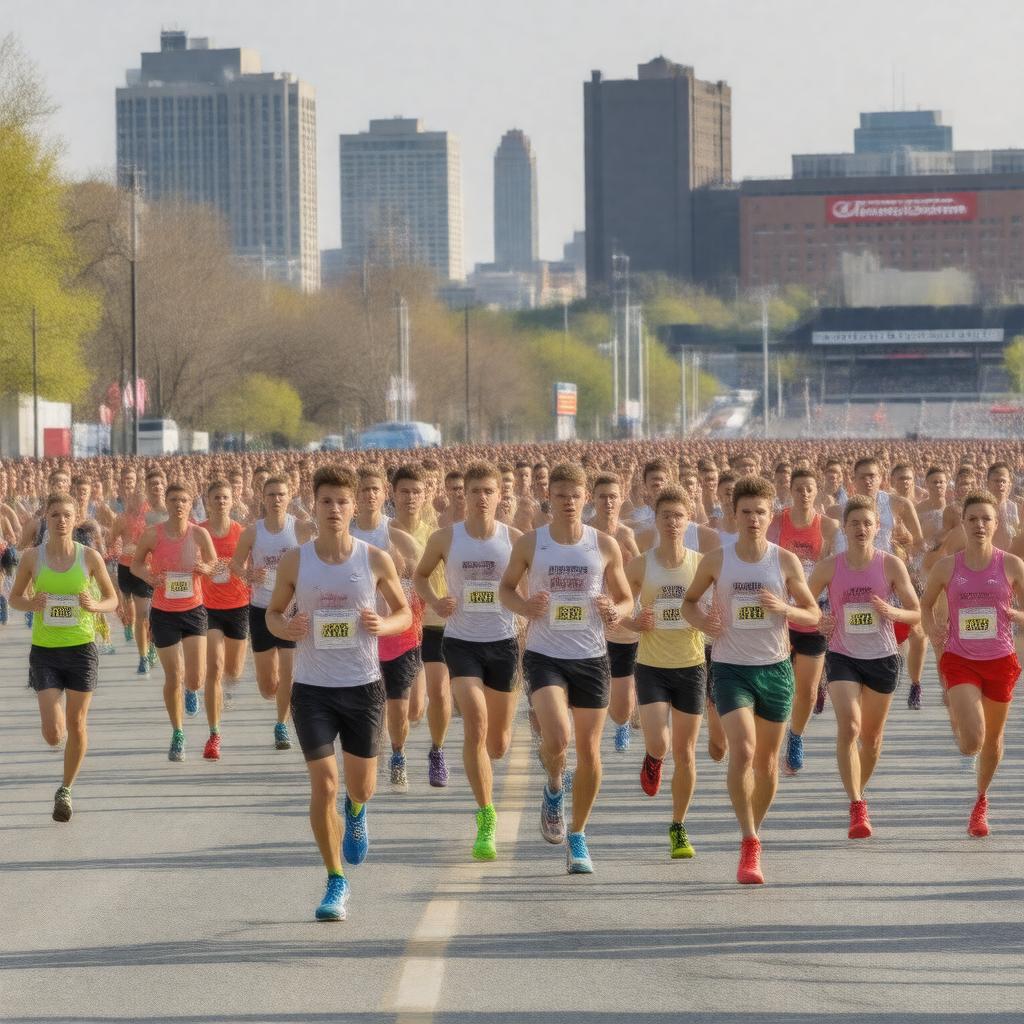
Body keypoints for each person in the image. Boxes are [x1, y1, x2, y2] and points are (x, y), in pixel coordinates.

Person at [266, 465, 411, 922]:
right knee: (324, 784)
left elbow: (405, 613)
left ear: (355, 507)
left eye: (342, 502)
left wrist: (382, 624)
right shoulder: (296, 560)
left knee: (361, 785)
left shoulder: (374, 559)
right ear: (314, 504)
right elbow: (272, 614)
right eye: (326, 501)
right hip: (311, 689)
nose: (334, 509)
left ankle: (357, 808)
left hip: (364, 686)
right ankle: (335, 880)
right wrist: (285, 626)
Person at [682, 476, 819, 885]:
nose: (754, 519)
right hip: (730, 668)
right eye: (746, 512)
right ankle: (749, 840)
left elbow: (814, 614)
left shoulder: (783, 561)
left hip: (775, 668)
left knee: (767, 763)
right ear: (733, 514)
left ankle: (751, 834)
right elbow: (688, 603)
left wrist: (786, 609)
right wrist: (703, 621)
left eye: (761, 512)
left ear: (770, 514)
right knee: (742, 750)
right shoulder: (717, 560)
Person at [499, 463, 633, 874]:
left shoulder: (604, 544)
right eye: (560, 496)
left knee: (590, 752)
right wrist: (525, 607)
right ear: (549, 501)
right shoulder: (530, 544)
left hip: (591, 656)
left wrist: (615, 610)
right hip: (545, 654)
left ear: (586, 499)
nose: (569, 503)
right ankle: (555, 786)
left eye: (575, 496)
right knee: (558, 738)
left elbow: (627, 598)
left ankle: (578, 835)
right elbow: (505, 589)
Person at [415, 460, 522, 859]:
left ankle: (491, 776)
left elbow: (528, 585)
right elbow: (421, 576)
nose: (480, 498)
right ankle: (486, 816)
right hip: (460, 641)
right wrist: (435, 601)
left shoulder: (514, 539)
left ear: (499, 496)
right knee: (474, 721)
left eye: (487, 492)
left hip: (503, 642)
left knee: (497, 743)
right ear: (464, 496)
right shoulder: (446, 538)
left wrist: (527, 609)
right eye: (473, 491)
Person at [807, 496, 920, 838]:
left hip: (883, 658)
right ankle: (857, 804)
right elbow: (803, 599)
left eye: (867, 524)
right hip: (843, 655)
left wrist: (893, 612)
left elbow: (916, 613)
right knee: (851, 726)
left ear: (877, 528)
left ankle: (857, 788)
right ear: (844, 528)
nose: (860, 529)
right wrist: (819, 620)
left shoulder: (890, 565)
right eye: (854, 523)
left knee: (871, 739)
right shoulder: (830, 566)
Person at [8, 493, 119, 821]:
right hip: (45, 651)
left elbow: (112, 600)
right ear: (47, 519)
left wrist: (93, 605)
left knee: (77, 722)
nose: (61, 520)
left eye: (66, 515)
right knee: (54, 733)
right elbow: (15, 598)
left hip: (81, 649)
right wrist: (33, 604)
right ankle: (63, 750)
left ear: (75, 519)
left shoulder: (90, 558)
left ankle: (66, 789)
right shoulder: (32, 557)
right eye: (54, 515)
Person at [920, 490, 1024, 838]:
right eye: (972, 519)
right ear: (962, 524)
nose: (979, 525)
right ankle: (965, 738)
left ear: (996, 524)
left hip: (1001, 660)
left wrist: (1016, 614)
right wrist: (934, 630)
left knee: (993, 740)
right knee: (973, 741)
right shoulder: (948, 566)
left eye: (986, 519)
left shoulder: (1010, 565)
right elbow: (925, 603)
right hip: (960, 658)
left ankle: (981, 801)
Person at [624, 485, 708, 859]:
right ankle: (652, 759)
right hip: (652, 665)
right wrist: (633, 620)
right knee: (660, 742)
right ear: (655, 521)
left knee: (686, 752)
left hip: (691, 664)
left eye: (678, 516)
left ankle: (678, 826)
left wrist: (710, 619)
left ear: (688, 520)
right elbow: (618, 603)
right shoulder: (642, 563)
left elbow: (715, 605)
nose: (672, 523)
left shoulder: (701, 563)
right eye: (665, 517)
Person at [131, 482, 218, 761]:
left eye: (183, 500)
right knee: (174, 676)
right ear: (166, 504)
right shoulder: (153, 534)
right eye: (173, 500)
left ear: (190, 504)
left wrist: (205, 568)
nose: (179, 504)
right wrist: (149, 577)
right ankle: (178, 733)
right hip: (164, 611)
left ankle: (192, 691)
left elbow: (214, 563)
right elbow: (135, 565)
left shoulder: (199, 533)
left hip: (193, 610)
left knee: (195, 677)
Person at [351, 465, 425, 790]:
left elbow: (422, 577)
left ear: (384, 495)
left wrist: (405, 569)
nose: (369, 495)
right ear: (355, 496)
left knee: (399, 708)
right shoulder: (345, 535)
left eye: (374, 490)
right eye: (363, 490)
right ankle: (367, 756)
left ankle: (398, 753)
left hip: (397, 634)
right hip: (358, 635)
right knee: (367, 705)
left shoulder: (395, 536)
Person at [232, 475, 315, 750]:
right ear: (263, 498)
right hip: (261, 610)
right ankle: (277, 693)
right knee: (268, 685)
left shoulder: (300, 529)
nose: (276, 500)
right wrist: (248, 574)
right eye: (271, 495)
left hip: (293, 609)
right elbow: (235, 566)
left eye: (281, 494)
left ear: (289, 496)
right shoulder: (252, 532)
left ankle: (281, 724)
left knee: (289, 675)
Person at [768, 468, 839, 775]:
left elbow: (837, 572)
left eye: (810, 489)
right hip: (780, 613)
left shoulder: (829, 527)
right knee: (780, 684)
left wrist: (832, 611)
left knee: (807, 690)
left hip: (813, 613)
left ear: (817, 491)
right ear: (790, 491)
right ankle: (771, 737)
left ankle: (796, 737)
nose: (804, 494)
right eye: (799, 489)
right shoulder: (776, 522)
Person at [199, 479, 251, 759]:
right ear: (208, 502)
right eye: (216, 497)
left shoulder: (241, 533)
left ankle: (226, 691)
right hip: (207, 607)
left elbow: (249, 566)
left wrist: (240, 569)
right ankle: (214, 735)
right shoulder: (199, 532)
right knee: (215, 668)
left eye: (225, 497)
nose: (220, 501)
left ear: (233, 501)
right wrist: (203, 569)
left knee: (234, 671)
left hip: (239, 605)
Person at [589, 472, 641, 752]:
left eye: (613, 497)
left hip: (620, 624)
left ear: (622, 500)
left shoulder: (626, 535)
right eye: (602, 497)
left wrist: (625, 608)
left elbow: (641, 575)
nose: (608, 502)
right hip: (588, 623)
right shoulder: (584, 532)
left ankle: (621, 724)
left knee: (621, 704)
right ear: (592, 499)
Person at [110, 468, 167, 674]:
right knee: (134, 609)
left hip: (147, 568)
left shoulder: (153, 516)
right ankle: (143, 654)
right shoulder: (121, 518)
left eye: (139, 500)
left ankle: (148, 651)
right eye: (132, 500)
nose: (135, 503)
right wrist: (119, 548)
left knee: (146, 615)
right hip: (126, 568)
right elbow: (111, 542)